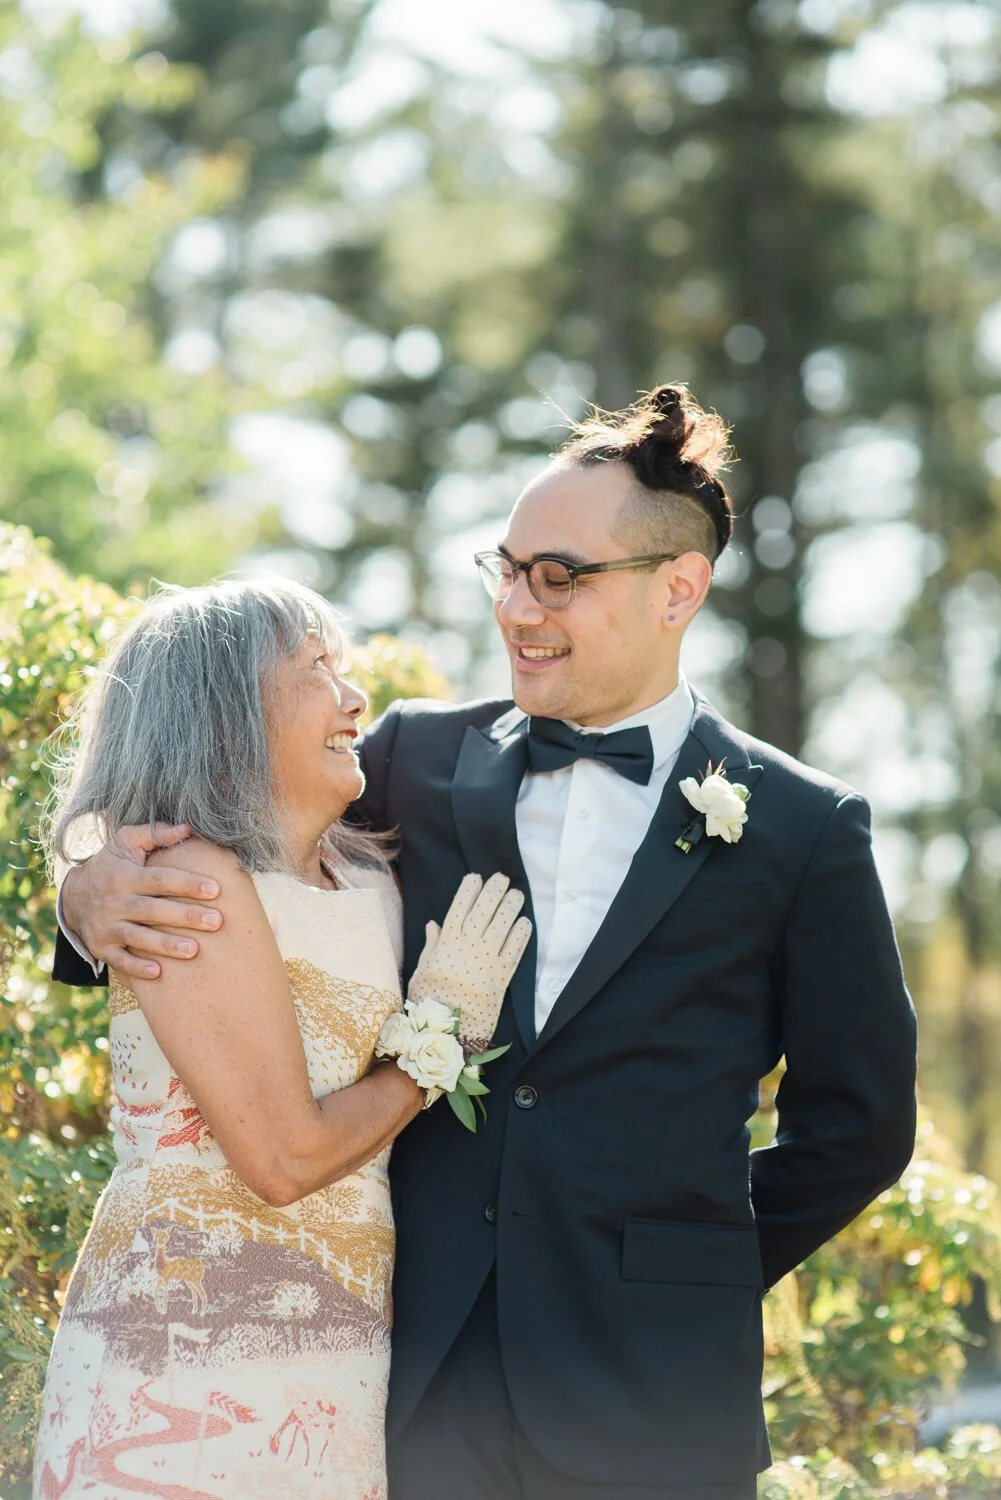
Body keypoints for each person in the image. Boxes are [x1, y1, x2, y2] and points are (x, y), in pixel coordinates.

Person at [55, 385, 918, 1500]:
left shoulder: (803, 826)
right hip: (414, 1381)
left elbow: (859, 1124)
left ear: (676, 589)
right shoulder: (410, 760)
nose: (516, 607)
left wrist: (686, 1271)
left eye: (558, 576)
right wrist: (84, 894)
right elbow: (227, 837)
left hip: (655, 1401)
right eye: (505, 570)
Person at [34, 578, 530, 1500]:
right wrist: (442, 1040)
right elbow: (282, 1158)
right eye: (316, 667)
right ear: (224, 713)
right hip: (181, 1373)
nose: (355, 697)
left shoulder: (373, 879)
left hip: (337, 1368)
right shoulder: (184, 882)